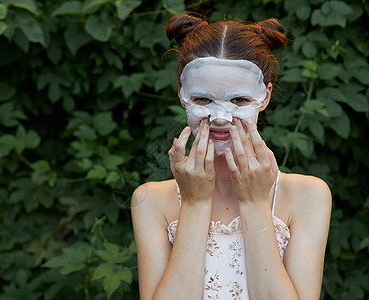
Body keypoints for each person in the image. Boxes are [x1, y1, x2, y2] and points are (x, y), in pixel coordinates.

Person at [131, 14, 331, 300]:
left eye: (239, 101)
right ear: (182, 95)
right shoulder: (151, 201)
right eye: (202, 100)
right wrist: (195, 203)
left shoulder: (308, 196)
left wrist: (254, 202)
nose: (221, 118)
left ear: (264, 97)